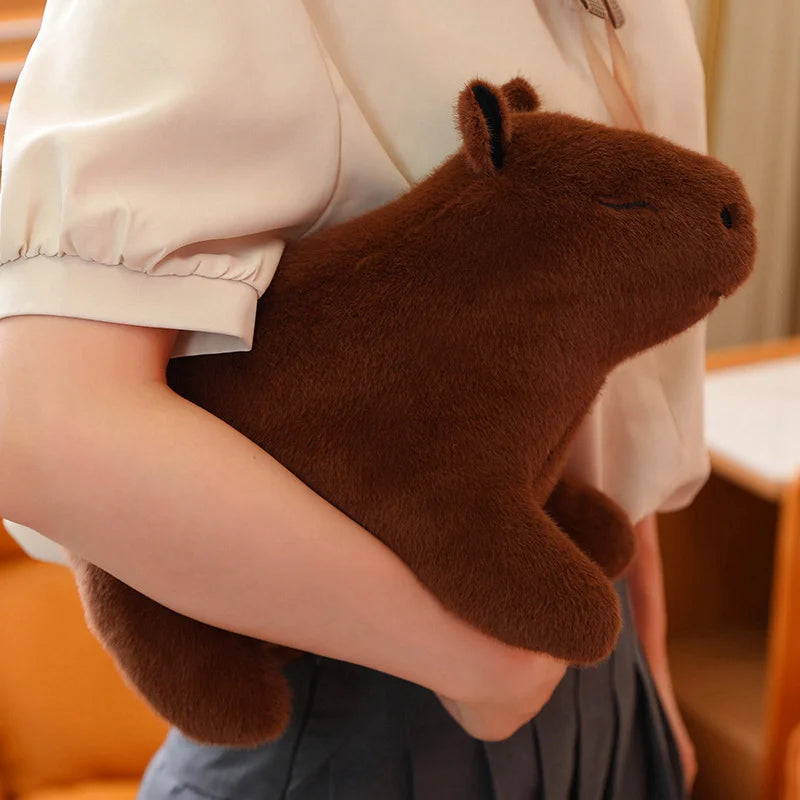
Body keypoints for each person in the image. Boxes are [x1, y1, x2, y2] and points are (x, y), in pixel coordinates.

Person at [0, 1, 705, 797]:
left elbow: (596, 361)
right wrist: (481, 663)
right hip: (380, 704)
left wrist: (648, 663)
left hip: (594, 661)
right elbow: (43, 421)